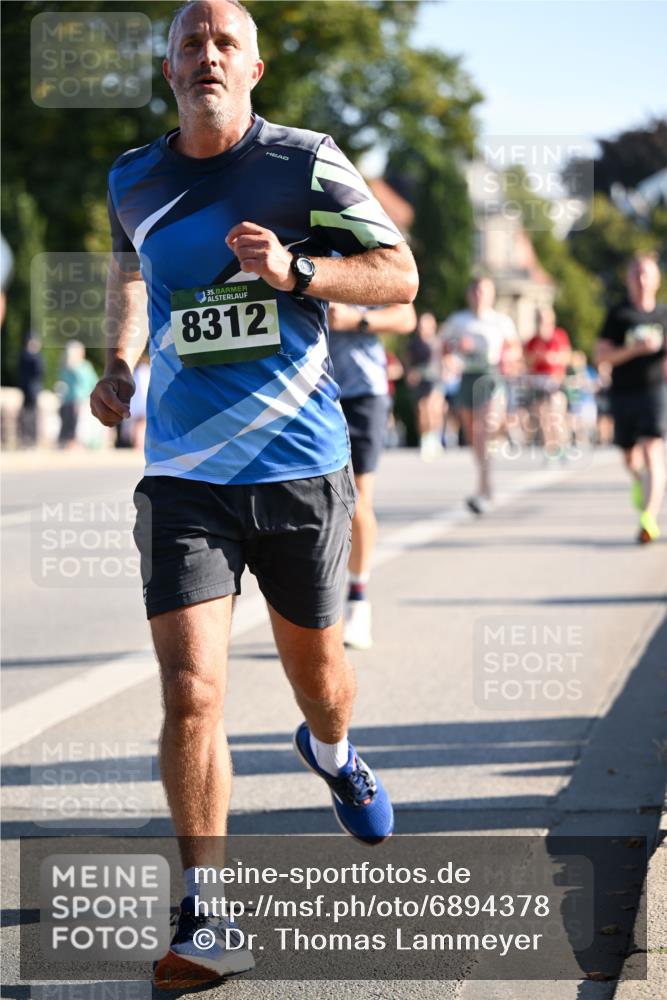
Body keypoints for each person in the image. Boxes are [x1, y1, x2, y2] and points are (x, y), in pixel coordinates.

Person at [89, 0, 418, 987]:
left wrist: (297, 269)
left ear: (253, 68)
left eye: (224, 43)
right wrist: (118, 363)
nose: (207, 56)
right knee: (191, 689)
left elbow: (399, 276)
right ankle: (207, 912)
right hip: (184, 473)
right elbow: (136, 273)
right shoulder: (133, 176)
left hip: (298, 466)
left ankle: (334, 751)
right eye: (190, 44)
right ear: (168, 69)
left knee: (320, 683)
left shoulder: (304, 163)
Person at [328, 300, 415, 650]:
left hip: (362, 392)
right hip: (310, 393)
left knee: (357, 500)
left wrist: (356, 319)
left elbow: (405, 316)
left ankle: (358, 601)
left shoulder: (363, 262)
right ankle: (318, 607)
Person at [595, 253, 666, 543]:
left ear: (656, 279)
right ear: (628, 279)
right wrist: (634, 349)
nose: (641, 280)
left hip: (654, 391)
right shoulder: (618, 315)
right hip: (624, 392)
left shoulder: (663, 315)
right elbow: (601, 356)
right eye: (636, 274)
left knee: (652, 450)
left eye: (646, 274)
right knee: (630, 457)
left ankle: (649, 518)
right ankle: (640, 481)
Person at [440, 277, 520, 513]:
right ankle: (485, 479)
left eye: (484, 291)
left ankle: (483, 488)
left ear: (492, 295)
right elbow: (444, 346)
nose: (479, 295)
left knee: (485, 430)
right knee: (473, 434)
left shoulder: (500, 321)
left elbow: (515, 348)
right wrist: (453, 354)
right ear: (469, 294)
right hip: (467, 377)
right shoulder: (459, 320)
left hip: (490, 376)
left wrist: (509, 358)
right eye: (475, 290)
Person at [524, 305, 572, 459]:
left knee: (556, 414)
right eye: (540, 320)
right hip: (539, 382)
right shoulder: (532, 341)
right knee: (543, 417)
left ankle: (563, 445)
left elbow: (567, 357)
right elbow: (528, 362)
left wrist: (552, 358)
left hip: (555, 380)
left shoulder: (559, 336)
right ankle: (550, 449)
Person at [404, 311, 445, 460]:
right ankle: (426, 439)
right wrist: (409, 373)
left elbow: (445, 359)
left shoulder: (438, 342)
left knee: (434, 408)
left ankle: (435, 438)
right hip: (420, 379)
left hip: (435, 379)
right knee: (422, 409)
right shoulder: (413, 344)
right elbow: (407, 361)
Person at [56, 340, 98, 448]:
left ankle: (76, 443)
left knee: (79, 425)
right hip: (69, 400)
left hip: (82, 400)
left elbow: (93, 382)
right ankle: (69, 443)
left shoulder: (85, 366)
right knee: (69, 423)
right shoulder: (66, 367)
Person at [18, 334, 44, 447]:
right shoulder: (25, 355)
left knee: (33, 414)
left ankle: (32, 438)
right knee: (26, 414)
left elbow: (40, 372)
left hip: (34, 389)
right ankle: (25, 437)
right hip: (26, 389)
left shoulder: (37, 357)